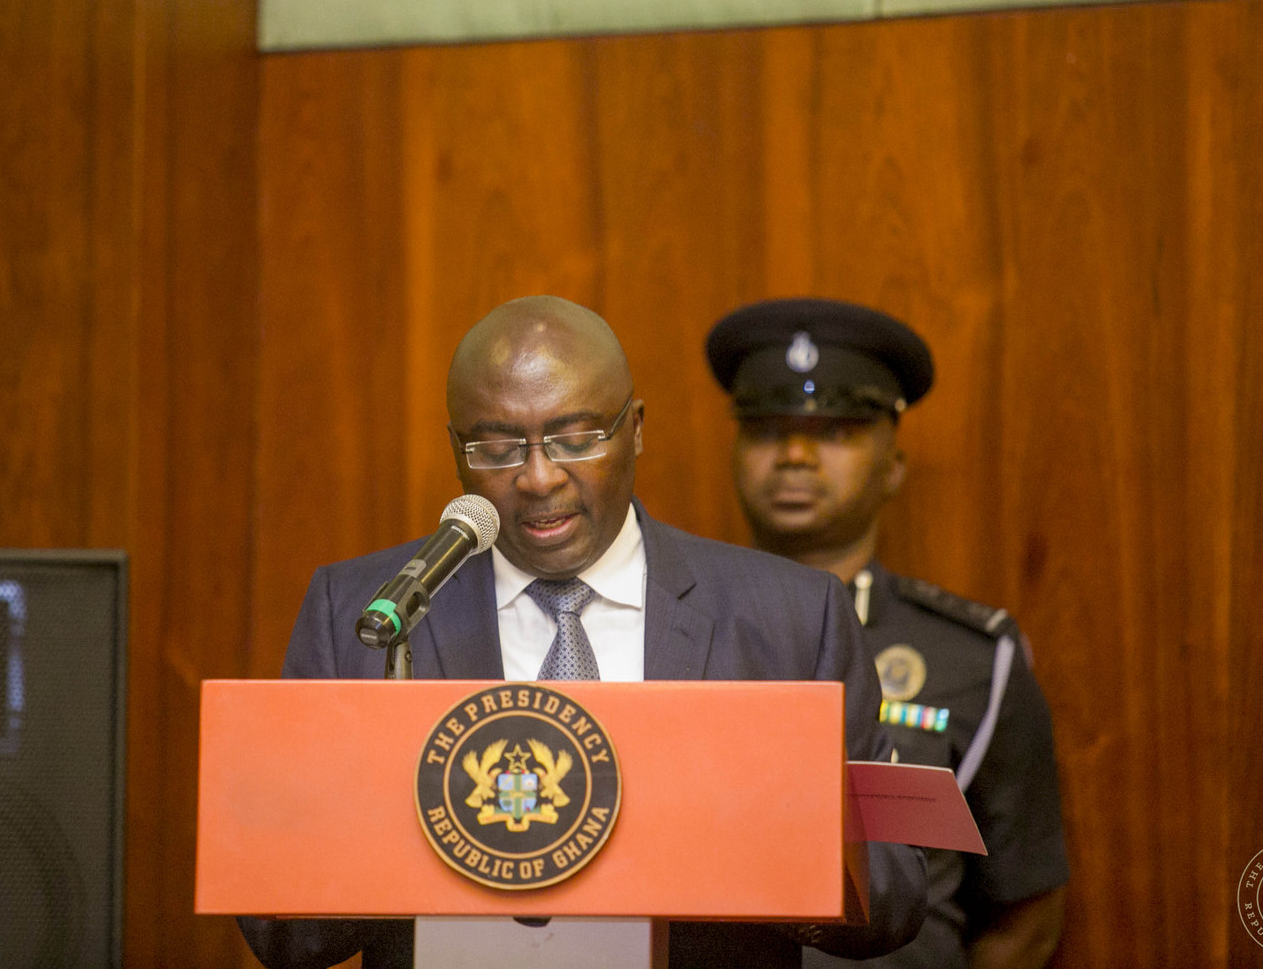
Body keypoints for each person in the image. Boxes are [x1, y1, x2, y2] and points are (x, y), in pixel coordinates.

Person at [239, 295, 927, 969]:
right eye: (497, 445)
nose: (538, 477)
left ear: (635, 428)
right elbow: (283, 932)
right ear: (456, 449)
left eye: (577, 438)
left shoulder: (792, 617)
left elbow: (896, 891)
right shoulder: (367, 614)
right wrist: (398, 827)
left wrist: (764, 848)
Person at [705, 298, 1069, 969]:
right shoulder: (669, 625)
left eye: (836, 431)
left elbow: (1025, 913)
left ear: (893, 465)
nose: (793, 454)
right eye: (764, 429)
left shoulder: (972, 657)